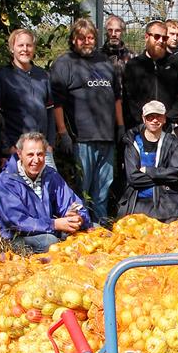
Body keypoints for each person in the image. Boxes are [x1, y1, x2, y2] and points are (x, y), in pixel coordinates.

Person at [49, 19, 122, 226]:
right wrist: (62, 132)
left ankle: (101, 228)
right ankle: (81, 230)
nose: (87, 42)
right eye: (82, 38)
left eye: (90, 38)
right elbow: (57, 102)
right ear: (74, 39)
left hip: (106, 137)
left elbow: (117, 97)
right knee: (82, 190)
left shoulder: (105, 63)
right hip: (81, 139)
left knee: (103, 190)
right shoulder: (64, 64)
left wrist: (120, 126)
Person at [0, 132, 90, 251]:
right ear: (19, 154)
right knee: (50, 242)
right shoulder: (7, 181)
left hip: (49, 230)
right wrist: (54, 224)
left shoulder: (50, 175)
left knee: (93, 230)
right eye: (30, 155)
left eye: (40, 154)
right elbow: (17, 221)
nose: (36, 160)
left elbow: (72, 203)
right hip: (15, 237)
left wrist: (78, 218)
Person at [117, 100, 178, 221]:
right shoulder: (131, 142)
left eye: (158, 116)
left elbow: (176, 173)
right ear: (143, 118)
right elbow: (133, 178)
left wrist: (148, 171)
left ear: (164, 119)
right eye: (150, 117)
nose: (154, 120)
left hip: (169, 202)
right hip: (138, 202)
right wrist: (164, 177)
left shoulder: (175, 143)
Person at [0, 29, 56, 167]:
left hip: (42, 150)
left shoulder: (43, 76)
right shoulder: (2, 77)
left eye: (29, 45)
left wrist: (50, 144)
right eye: (20, 45)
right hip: (17, 151)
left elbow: (50, 112)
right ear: (12, 48)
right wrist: (7, 148)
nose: (25, 49)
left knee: (49, 188)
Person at [122, 18, 178, 131]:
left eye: (164, 38)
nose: (160, 41)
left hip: (170, 126)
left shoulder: (177, 63)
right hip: (140, 127)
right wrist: (144, 121)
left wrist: (167, 119)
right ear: (146, 37)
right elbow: (129, 98)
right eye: (156, 37)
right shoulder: (133, 65)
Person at [102, 15, 132, 95]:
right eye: (110, 30)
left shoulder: (132, 57)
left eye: (117, 30)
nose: (113, 34)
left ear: (123, 32)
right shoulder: (97, 57)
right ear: (106, 32)